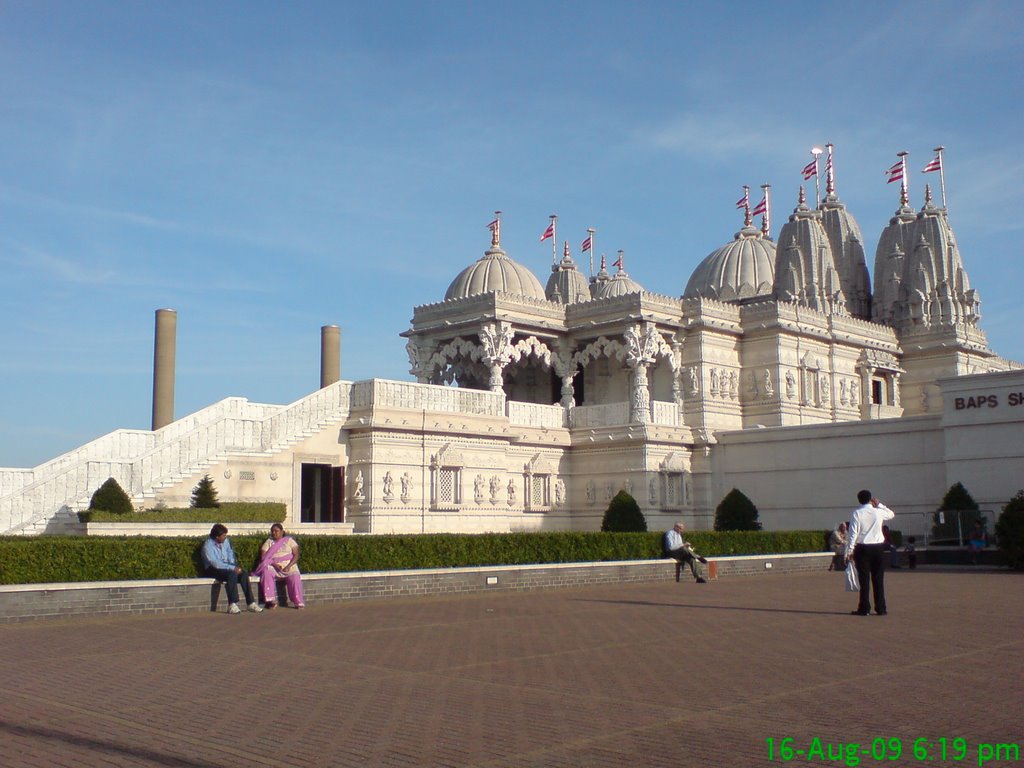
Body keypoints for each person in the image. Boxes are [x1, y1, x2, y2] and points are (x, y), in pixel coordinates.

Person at [844, 490, 895, 616]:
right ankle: (881, 608)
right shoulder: (878, 512)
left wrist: (850, 550)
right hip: (878, 548)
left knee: (864, 579)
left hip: (863, 548)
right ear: (871, 499)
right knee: (878, 579)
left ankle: (864, 607)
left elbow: (853, 533)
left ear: (859, 500)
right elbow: (891, 514)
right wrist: (880, 504)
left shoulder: (857, 513)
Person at [201, 523, 264, 614]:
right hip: (213, 569)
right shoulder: (207, 546)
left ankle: (251, 603)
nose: (225, 538)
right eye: (223, 536)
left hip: (227, 566)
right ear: (216, 537)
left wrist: (233, 566)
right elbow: (215, 563)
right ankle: (232, 604)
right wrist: (231, 568)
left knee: (243, 574)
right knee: (232, 574)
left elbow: (230, 553)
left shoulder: (226, 542)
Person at [253, 523, 305, 609]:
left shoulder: (289, 541)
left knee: (295, 576)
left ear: (282, 532)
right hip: (274, 566)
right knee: (266, 571)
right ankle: (271, 601)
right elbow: (264, 557)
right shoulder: (269, 542)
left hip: (289, 565)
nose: (274, 533)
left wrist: (288, 566)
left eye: (276, 531)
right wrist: (275, 564)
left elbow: (296, 555)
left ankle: (298, 602)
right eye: (272, 531)